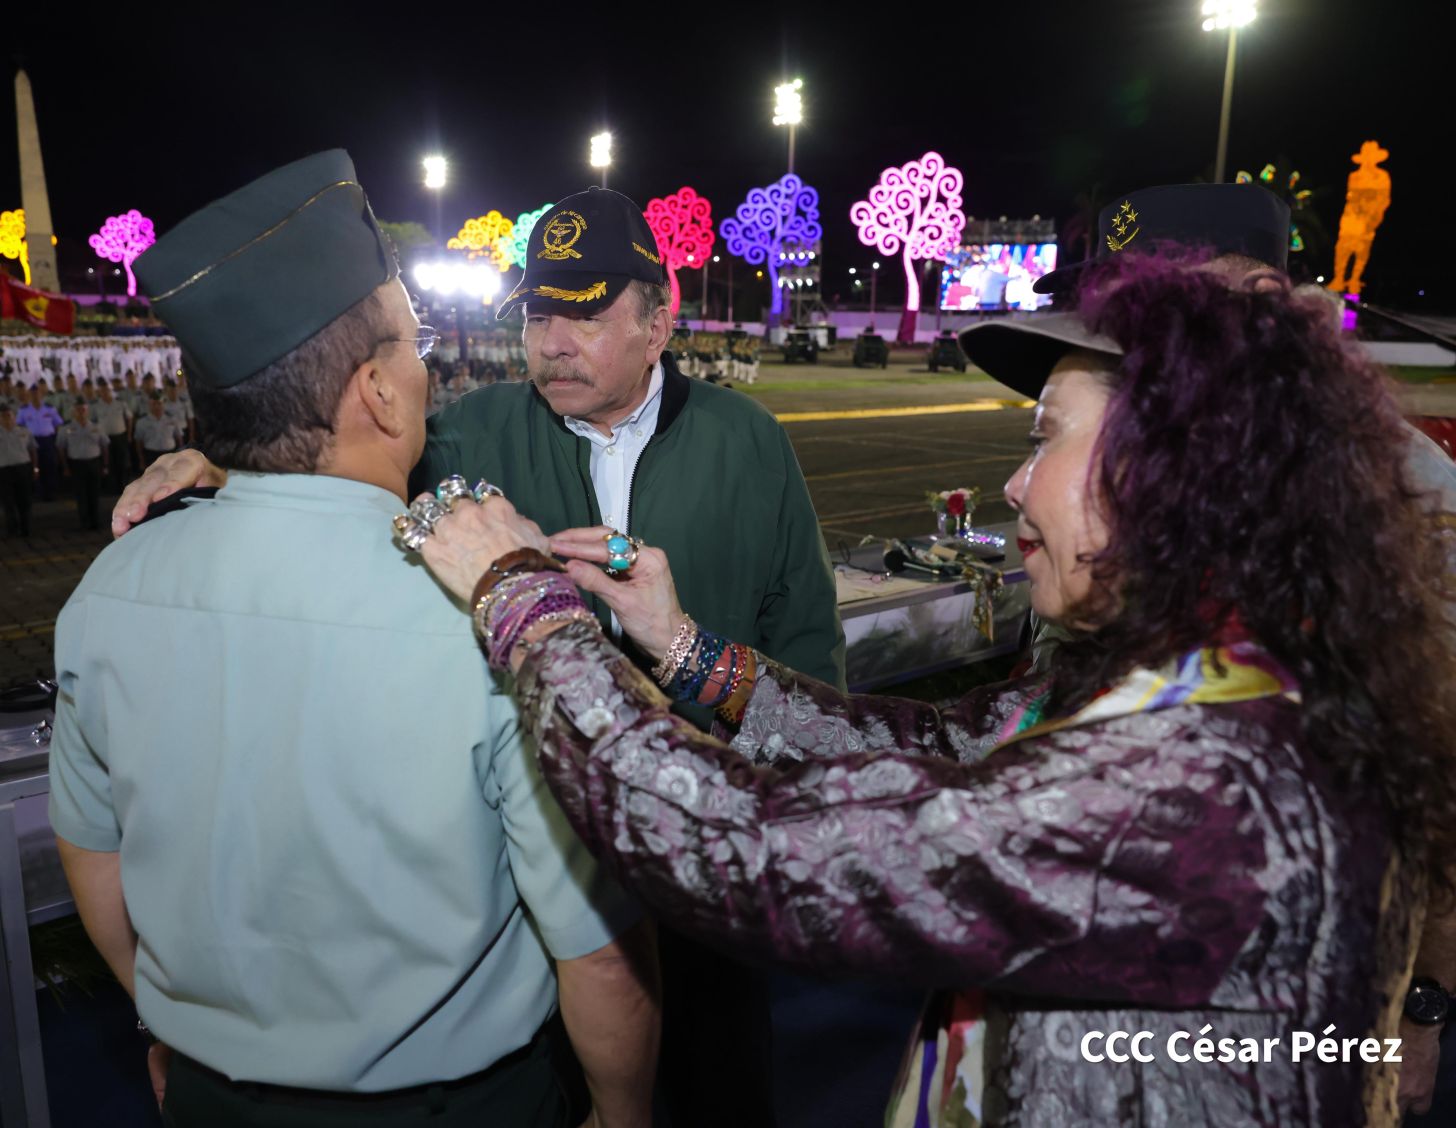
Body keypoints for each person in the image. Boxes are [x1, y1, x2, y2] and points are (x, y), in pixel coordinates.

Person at [404, 256, 1456, 1127]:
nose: (1011, 482)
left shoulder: (1198, 779)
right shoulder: (1221, 677)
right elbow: (938, 744)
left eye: (1044, 435)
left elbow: (743, 852)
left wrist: (522, 601)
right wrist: (677, 645)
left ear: (1172, 469)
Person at [114, 184, 845, 1128]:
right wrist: (218, 464)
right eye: (537, 313)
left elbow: (809, 652)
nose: (551, 341)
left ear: (660, 319)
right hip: (546, 890)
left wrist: (751, 830)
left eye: (583, 315)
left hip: (705, 863)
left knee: (720, 1087)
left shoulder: (749, 444)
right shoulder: (471, 432)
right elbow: (327, 451)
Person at [48, 150, 657, 1128]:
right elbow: (596, 947)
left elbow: (96, 860)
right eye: (414, 350)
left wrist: (171, 1035)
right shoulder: (484, 610)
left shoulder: (107, 589)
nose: (429, 376)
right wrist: (623, 1115)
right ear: (377, 392)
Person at [55, 399, 108, 530]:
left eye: (83, 409)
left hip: (94, 462)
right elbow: (61, 448)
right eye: (78, 409)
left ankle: (95, 522)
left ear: (87, 411)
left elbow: (104, 446)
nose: (81, 412)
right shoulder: (66, 428)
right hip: (76, 464)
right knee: (81, 495)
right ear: (73, 411)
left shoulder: (97, 427)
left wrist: (105, 465)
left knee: (94, 494)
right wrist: (65, 467)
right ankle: (84, 522)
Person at [16, 383, 62, 500]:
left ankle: (52, 492)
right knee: (35, 467)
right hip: (32, 441)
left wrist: (54, 439)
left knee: (50, 466)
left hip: (47, 440)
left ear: (41, 394)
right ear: (28, 395)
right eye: (32, 394)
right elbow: (19, 426)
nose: (35, 395)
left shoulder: (49, 408)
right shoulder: (24, 410)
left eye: (37, 393)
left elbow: (57, 424)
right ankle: (39, 492)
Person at [0, 403, 37, 537]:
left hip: (22, 468)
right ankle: (12, 528)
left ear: (14, 417)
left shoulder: (24, 431)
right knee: (8, 502)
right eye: (3, 416)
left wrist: (35, 468)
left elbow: (32, 450)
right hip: (3, 471)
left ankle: (26, 528)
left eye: (9, 415)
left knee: (24, 500)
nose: (6, 418)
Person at [93, 380, 133, 490]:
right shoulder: (96, 406)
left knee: (122, 462)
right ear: (99, 392)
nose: (105, 393)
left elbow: (129, 418)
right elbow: (93, 423)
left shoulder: (120, 403)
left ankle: (123, 485)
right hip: (105, 439)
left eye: (107, 390)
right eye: (102, 391)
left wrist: (129, 434)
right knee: (108, 463)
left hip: (120, 437)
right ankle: (111, 487)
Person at [132, 394, 181, 467]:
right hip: (151, 455)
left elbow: (179, 437)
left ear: (163, 404)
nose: (157, 406)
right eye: (153, 404)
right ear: (149, 405)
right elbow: (139, 442)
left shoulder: (172, 419)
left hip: (170, 453)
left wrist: (180, 455)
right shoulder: (142, 422)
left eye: (159, 403)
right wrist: (141, 459)